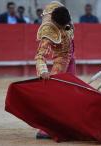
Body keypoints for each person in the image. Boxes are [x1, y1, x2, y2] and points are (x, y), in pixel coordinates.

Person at [35, 1, 75, 138]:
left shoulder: (61, 13)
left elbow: (69, 31)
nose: (64, 28)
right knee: (54, 94)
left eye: (66, 25)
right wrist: (43, 71)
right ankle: (45, 128)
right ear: (54, 23)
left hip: (71, 57)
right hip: (60, 60)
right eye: (61, 26)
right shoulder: (48, 32)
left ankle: (67, 123)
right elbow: (40, 56)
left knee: (70, 93)